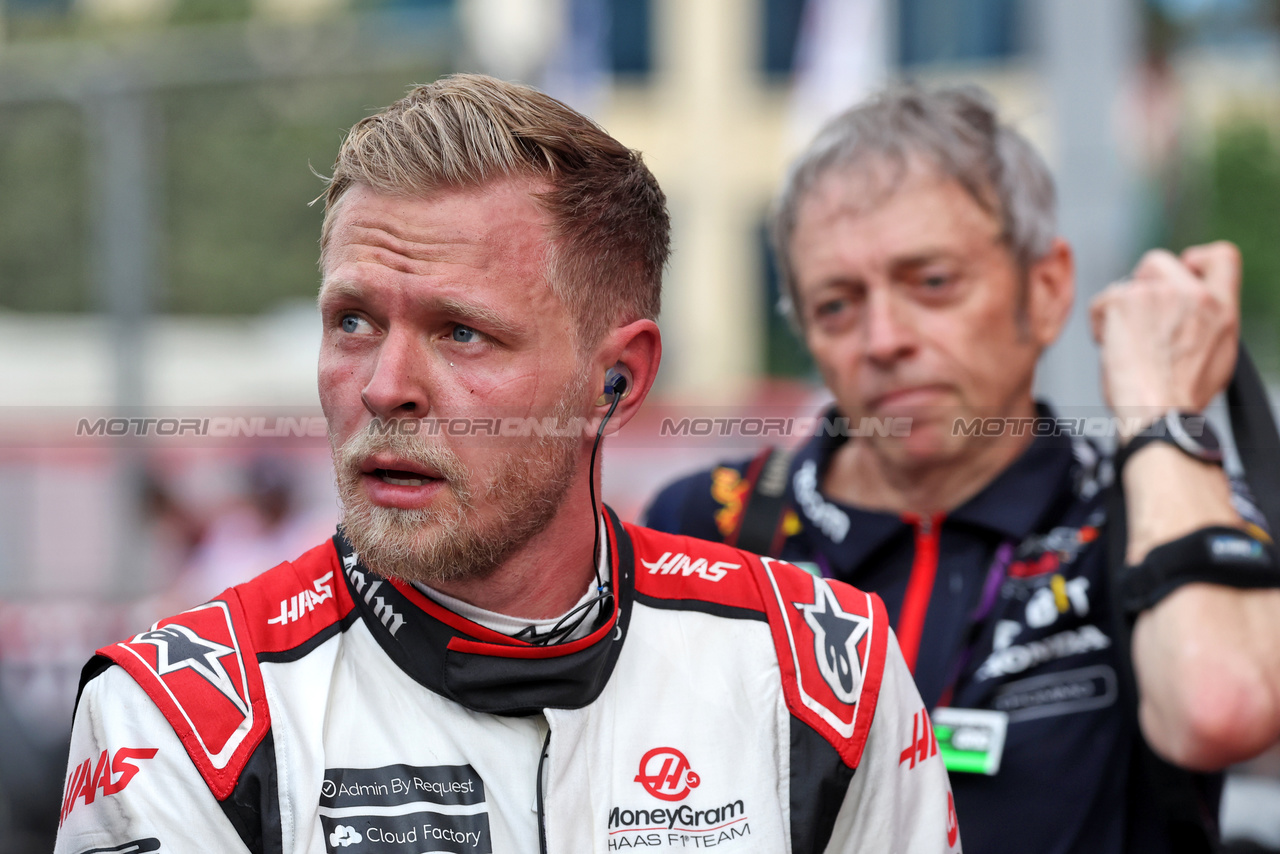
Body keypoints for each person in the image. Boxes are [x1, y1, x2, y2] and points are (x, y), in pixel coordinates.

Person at [54, 75, 958, 854]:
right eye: (354, 321)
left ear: (616, 380)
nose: (385, 387)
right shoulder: (179, 715)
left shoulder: (822, 673)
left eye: (462, 332)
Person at [644, 85, 1280, 854]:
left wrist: (1157, 406)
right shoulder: (711, 524)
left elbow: (1223, 708)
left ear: (1044, 291)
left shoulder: (1145, 508)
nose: (883, 338)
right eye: (838, 304)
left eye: (932, 282)